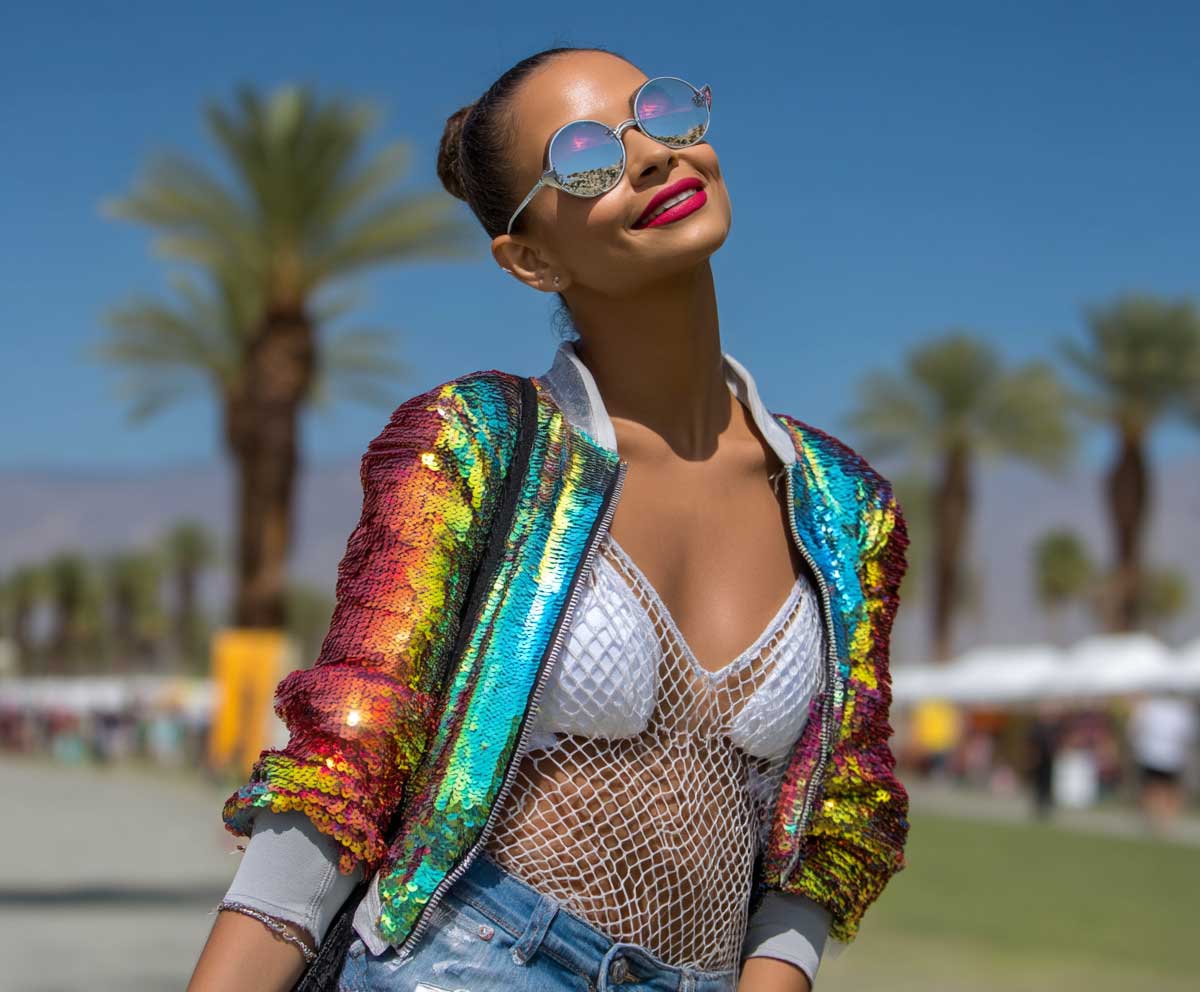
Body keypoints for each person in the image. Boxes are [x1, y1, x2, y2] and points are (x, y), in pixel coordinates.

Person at [188, 46, 911, 992]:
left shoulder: (849, 509)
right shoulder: (477, 442)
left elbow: (837, 807)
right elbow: (350, 752)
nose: (650, 156)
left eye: (658, 114)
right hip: (464, 965)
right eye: (584, 160)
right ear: (531, 259)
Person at [1127, 691, 1198, 835]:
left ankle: (1159, 821)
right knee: (1162, 790)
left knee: (1157, 789)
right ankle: (1162, 821)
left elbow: (1135, 729)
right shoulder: (1177, 709)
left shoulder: (1151, 707)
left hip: (1161, 755)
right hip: (1161, 754)